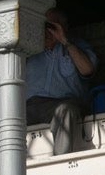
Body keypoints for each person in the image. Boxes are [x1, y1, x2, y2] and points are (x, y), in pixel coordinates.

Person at [25, 9, 97, 157]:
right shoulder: (29, 50)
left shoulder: (77, 46)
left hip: (63, 103)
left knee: (65, 110)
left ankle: (61, 163)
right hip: (30, 107)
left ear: (64, 27)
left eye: (52, 26)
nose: (47, 31)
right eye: (44, 26)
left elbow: (88, 70)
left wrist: (64, 41)